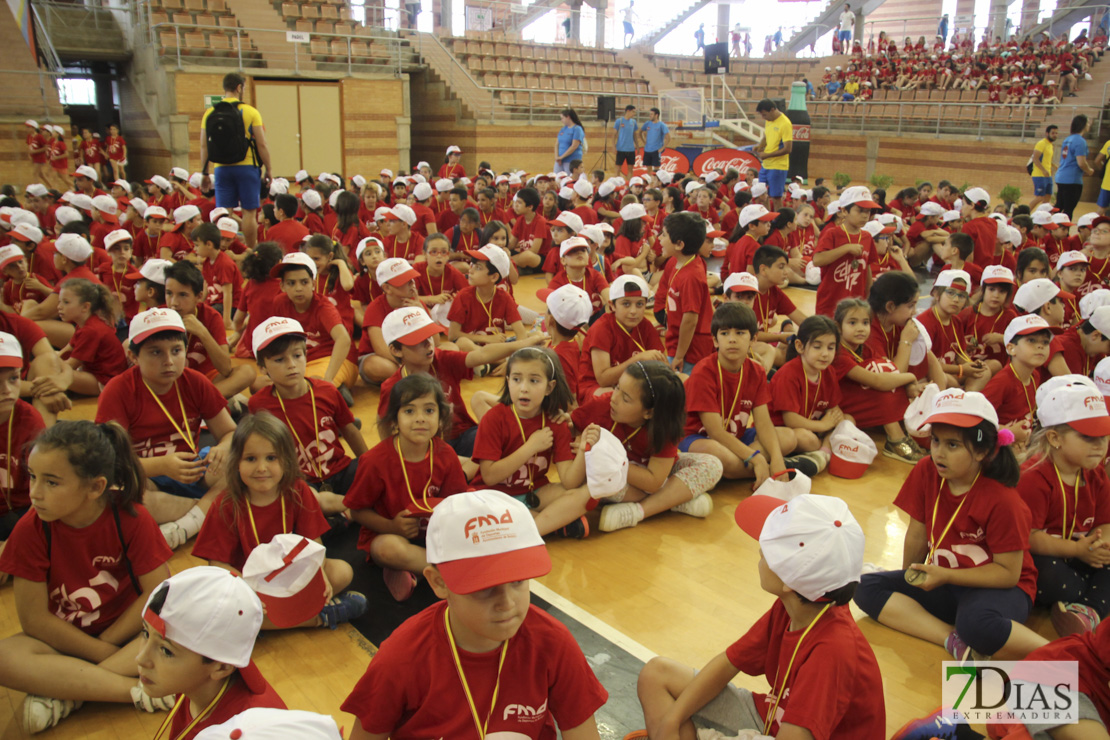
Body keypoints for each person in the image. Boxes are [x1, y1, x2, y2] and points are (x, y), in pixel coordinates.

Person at [342, 489, 608, 739]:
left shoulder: (553, 644)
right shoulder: (401, 658)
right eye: (484, 588)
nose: (507, 603)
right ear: (438, 582)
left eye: (518, 581)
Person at [629, 493, 885, 739]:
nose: (758, 552)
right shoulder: (798, 605)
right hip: (776, 718)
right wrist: (672, 720)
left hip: (791, 731)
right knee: (656, 675)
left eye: (766, 552)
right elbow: (729, 662)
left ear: (789, 580)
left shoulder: (833, 650)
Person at [0, 420, 173, 734]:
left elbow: (156, 593)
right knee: (4, 658)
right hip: (66, 642)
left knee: (183, 623)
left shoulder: (131, 517)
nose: (34, 493)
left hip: (131, 637)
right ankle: (133, 692)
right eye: (32, 477)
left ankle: (68, 693)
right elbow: (35, 621)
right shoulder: (30, 529)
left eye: (51, 482)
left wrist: (108, 643)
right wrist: (101, 653)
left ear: (95, 487)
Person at [853, 388, 1049, 662]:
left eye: (952, 445)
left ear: (982, 450)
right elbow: (917, 534)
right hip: (945, 578)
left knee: (976, 623)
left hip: (999, 588)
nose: (939, 453)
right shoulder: (925, 470)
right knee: (864, 586)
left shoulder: (1004, 500)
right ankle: (953, 640)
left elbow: (1008, 574)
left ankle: (1062, 654)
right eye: (935, 441)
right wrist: (910, 577)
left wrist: (946, 577)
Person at [191, 412, 367, 629]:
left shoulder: (297, 490)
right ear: (236, 462)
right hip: (244, 583)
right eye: (251, 459)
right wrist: (248, 591)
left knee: (341, 572)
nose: (262, 468)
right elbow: (218, 565)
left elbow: (314, 543)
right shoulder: (226, 504)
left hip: (288, 574)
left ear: (286, 460)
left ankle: (258, 625)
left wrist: (319, 573)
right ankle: (319, 618)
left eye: (271, 458)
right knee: (215, 604)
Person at [570, 361, 724, 532]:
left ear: (649, 412)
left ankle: (637, 512)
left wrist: (610, 459)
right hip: (622, 482)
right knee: (597, 482)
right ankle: (674, 499)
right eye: (617, 388)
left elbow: (653, 482)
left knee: (712, 465)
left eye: (625, 398)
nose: (614, 398)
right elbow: (571, 427)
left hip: (649, 477)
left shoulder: (664, 427)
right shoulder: (603, 405)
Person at [136, 567, 287, 737]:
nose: (141, 659)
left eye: (166, 651)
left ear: (222, 667)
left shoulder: (245, 730)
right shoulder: (198, 684)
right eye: (146, 633)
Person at [1020, 375, 1110, 636]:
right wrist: (1078, 550)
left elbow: (1105, 521)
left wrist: (1100, 546)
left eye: (1103, 436)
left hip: (1081, 551)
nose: (1099, 446)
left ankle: (1087, 611)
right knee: (1047, 575)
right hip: (1046, 556)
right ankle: (1086, 601)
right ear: (1055, 438)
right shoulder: (1034, 477)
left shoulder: (1095, 473)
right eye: (1088, 437)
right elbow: (1030, 538)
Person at [249, 317, 367, 497]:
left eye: (297, 356)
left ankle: (344, 512)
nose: (291, 365)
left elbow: (350, 431)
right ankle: (345, 513)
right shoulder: (259, 405)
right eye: (280, 359)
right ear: (263, 368)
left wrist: (368, 464)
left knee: (371, 474)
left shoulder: (327, 391)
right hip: (299, 481)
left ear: (306, 355)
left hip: (340, 471)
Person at [199, 73, 272, 250]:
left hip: (221, 168)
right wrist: (269, 169)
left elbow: (203, 146)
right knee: (249, 212)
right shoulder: (251, 111)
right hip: (247, 167)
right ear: (239, 88)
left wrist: (204, 172)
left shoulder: (209, 113)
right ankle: (250, 249)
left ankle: (221, 250)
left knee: (224, 213)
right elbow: (261, 143)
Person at [754, 99, 792, 210]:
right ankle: (767, 220)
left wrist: (767, 155)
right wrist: (760, 146)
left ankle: (778, 223)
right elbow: (766, 136)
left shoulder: (785, 123)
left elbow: (788, 149)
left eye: (764, 114)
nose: (763, 117)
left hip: (778, 166)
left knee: (776, 198)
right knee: (762, 195)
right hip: (766, 165)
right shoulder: (769, 120)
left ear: (772, 110)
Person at [1055, 114, 1094, 219]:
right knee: (1068, 210)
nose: (1089, 124)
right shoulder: (1080, 141)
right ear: (1083, 124)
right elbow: (1081, 162)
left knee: (1059, 207)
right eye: (1088, 122)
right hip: (1072, 179)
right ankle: (1063, 233)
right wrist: (1089, 170)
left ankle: (1050, 230)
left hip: (1061, 176)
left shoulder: (1068, 139)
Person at [1031, 125, 1059, 210]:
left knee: (1047, 198)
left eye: (1056, 133)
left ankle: (1041, 216)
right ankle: (1024, 213)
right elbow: (1035, 158)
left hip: (1048, 176)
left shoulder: (1050, 145)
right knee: (1040, 197)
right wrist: (1043, 170)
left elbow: (1047, 160)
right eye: (1053, 133)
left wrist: (1054, 166)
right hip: (1039, 175)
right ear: (1047, 133)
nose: (1055, 135)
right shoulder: (1041, 143)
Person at [555, 109, 585, 175]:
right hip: (560, 161)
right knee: (557, 178)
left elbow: (574, 146)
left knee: (569, 179)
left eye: (562, 118)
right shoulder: (563, 129)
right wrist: (557, 157)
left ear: (568, 117)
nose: (561, 120)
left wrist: (561, 157)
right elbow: (557, 144)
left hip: (571, 160)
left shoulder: (577, 129)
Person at [639, 107, 670, 172]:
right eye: (650, 114)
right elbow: (640, 132)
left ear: (656, 115)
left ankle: (656, 181)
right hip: (647, 150)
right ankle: (649, 181)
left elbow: (668, 137)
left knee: (656, 169)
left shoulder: (661, 125)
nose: (650, 116)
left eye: (651, 114)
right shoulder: (647, 123)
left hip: (656, 150)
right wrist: (644, 142)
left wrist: (663, 148)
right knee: (648, 168)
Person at [613, 105, 638, 172]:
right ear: (628, 111)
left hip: (631, 149)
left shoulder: (633, 122)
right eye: (633, 112)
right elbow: (613, 135)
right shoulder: (619, 121)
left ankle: (630, 182)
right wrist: (613, 146)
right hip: (621, 149)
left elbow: (635, 135)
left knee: (630, 169)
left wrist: (637, 146)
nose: (634, 114)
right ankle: (617, 182)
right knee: (618, 168)